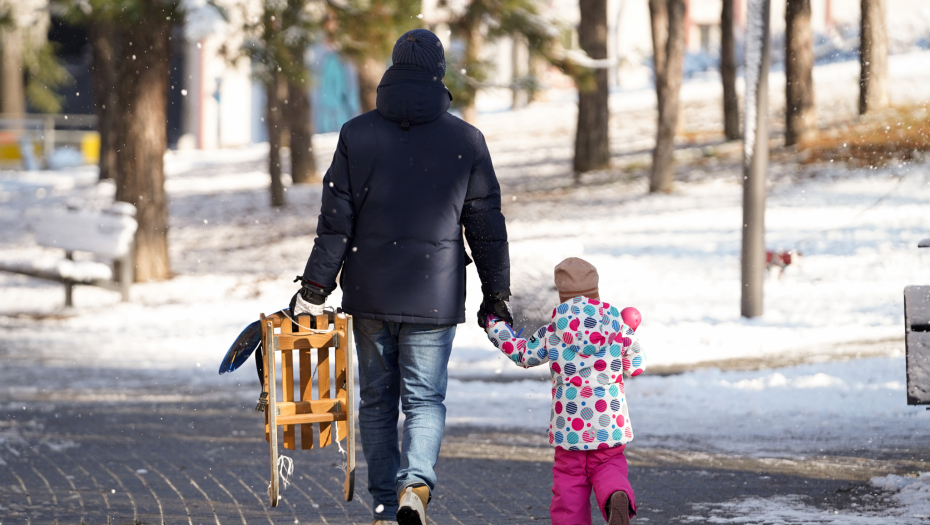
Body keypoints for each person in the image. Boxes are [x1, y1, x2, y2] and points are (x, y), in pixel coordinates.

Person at [290, 28, 512, 525]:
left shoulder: (356, 134)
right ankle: (416, 485)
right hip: (434, 294)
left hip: (369, 291)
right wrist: (496, 292)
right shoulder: (466, 139)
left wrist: (315, 287)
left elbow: (335, 223)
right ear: (438, 74)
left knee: (376, 401)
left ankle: (385, 504)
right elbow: (486, 225)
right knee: (425, 399)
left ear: (393, 70)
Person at [484, 257, 645, 525]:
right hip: (610, 423)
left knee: (569, 484)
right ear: (596, 292)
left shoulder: (553, 332)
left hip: (569, 425)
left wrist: (495, 326)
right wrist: (628, 344)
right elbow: (636, 366)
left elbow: (524, 354)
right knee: (609, 467)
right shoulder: (619, 327)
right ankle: (616, 494)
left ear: (562, 295)